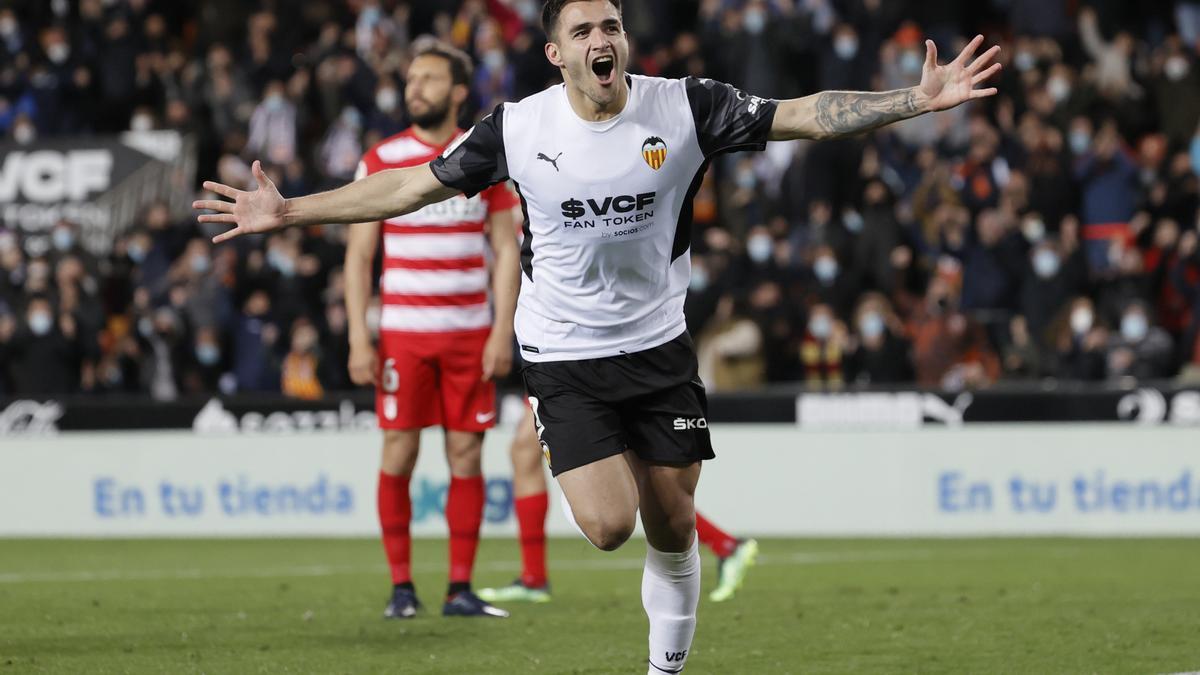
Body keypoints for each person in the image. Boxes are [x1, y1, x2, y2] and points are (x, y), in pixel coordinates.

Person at [194, 2, 1001, 669]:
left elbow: (803, 118)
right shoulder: (517, 127)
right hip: (565, 352)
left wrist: (913, 101)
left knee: (674, 524)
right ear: (555, 52)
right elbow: (410, 184)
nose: (601, 40)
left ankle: (664, 669)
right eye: (582, 31)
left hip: (657, 345)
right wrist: (291, 210)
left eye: (610, 25)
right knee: (611, 526)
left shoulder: (685, 105)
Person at [342, 42, 521, 620]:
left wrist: (500, 333)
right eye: (411, 77)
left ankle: (459, 589)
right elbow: (358, 256)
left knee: (466, 455)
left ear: (458, 90)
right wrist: (357, 338)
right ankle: (401, 589)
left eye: (428, 78)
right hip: (404, 335)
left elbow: (505, 248)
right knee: (399, 450)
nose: (414, 87)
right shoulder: (382, 159)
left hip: (470, 334)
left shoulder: (483, 155)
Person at [478, 405, 759, 605]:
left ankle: (726, 545)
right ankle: (533, 577)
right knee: (525, 451)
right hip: (556, 351)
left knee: (619, 481)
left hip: (577, 355)